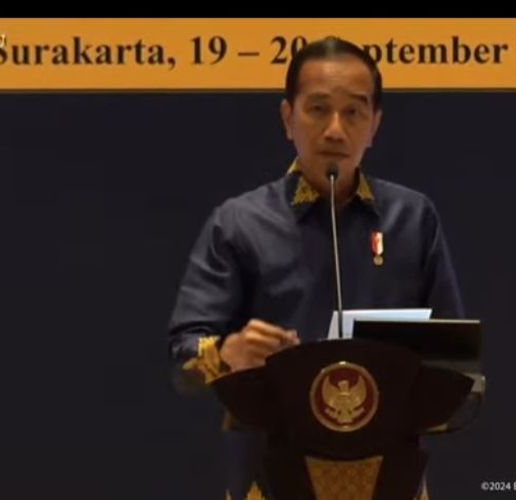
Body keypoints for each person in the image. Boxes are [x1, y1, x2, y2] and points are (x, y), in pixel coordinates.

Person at [168, 36, 464, 500]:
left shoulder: (413, 218)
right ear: (288, 118)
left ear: (375, 125)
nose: (335, 130)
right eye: (318, 109)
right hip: (270, 481)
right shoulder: (238, 223)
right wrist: (227, 353)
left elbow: (455, 360)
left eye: (354, 113)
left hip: (391, 480)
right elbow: (182, 359)